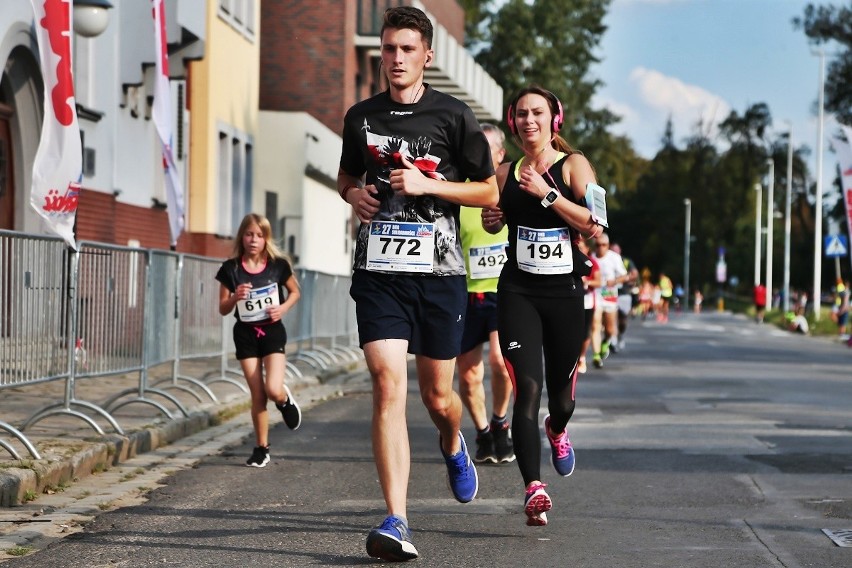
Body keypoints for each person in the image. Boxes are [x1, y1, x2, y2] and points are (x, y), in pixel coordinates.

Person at [336, 6, 499, 561]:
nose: (396, 59)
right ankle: (396, 520)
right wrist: (353, 195)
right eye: (388, 49)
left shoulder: (454, 117)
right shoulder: (360, 116)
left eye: (407, 49)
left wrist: (432, 183)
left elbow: (486, 193)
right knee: (387, 385)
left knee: (437, 397)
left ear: (427, 55)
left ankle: (454, 443)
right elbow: (345, 177)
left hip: (439, 274)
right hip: (379, 272)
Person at [481, 85, 603, 527]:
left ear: (555, 119)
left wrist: (546, 194)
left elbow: (595, 223)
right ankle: (534, 488)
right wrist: (492, 219)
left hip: (566, 294)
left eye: (537, 112)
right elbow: (492, 219)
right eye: (521, 114)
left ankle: (558, 429)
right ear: (512, 122)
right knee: (526, 389)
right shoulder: (502, 172)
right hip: (518, 292)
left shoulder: (573, 164)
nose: (528, 120)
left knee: (562, 399)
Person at [215, 213, 302, 468]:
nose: (254, 240)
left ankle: (284, 400)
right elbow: (222, 308)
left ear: (266, 239)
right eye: (249, 234)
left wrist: (283, 308)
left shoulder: (278, 265)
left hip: (272, 331)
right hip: (246, 335)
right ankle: (261, 448)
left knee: (272, 388)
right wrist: (235, 297)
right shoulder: (230, 269)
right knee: (257, 394)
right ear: (242, 237)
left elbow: (295, 292)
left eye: (260, 235)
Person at [457, 124, 515, 464]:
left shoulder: (508, 189)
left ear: (500, 155)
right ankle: (482, 432)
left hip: (502, 291)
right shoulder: (461, 191)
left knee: (500, 361)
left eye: (486, 148)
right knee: (468, 374)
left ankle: (500, 421)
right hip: (465, 294)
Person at [591, 233, 627, 368]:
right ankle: (596, 355)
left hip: (610, 296)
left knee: (610, 329)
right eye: (597, 245)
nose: (600, 248)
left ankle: (605, 343)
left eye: (603, 245)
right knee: (595, 325)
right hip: (596, 295)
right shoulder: (591, 257)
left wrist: (615, 281)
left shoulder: (614, 258)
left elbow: (624, 276)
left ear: (608, 245)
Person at [577, 238, 601, 373]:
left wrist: (587, 282)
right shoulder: (569, 258)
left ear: (587, 249)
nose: (579, 249)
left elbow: (599, 281)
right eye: (577, 246)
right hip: (571, 300)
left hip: (587, 301)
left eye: (581, 247)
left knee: (585, 331)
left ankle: (582, 356)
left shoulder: (592, 263)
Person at [610, 243, 638, 352]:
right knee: (611, 318)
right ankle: (612, 340)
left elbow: (635, 274)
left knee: (622, 320)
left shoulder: (626, 261)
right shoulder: (606, 260)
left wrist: (626, 278)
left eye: (616, 251)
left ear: (620, 252)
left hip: (624, 293)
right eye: (612, 251)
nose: (614, 253)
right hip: (610, 293)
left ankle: (620, 335)